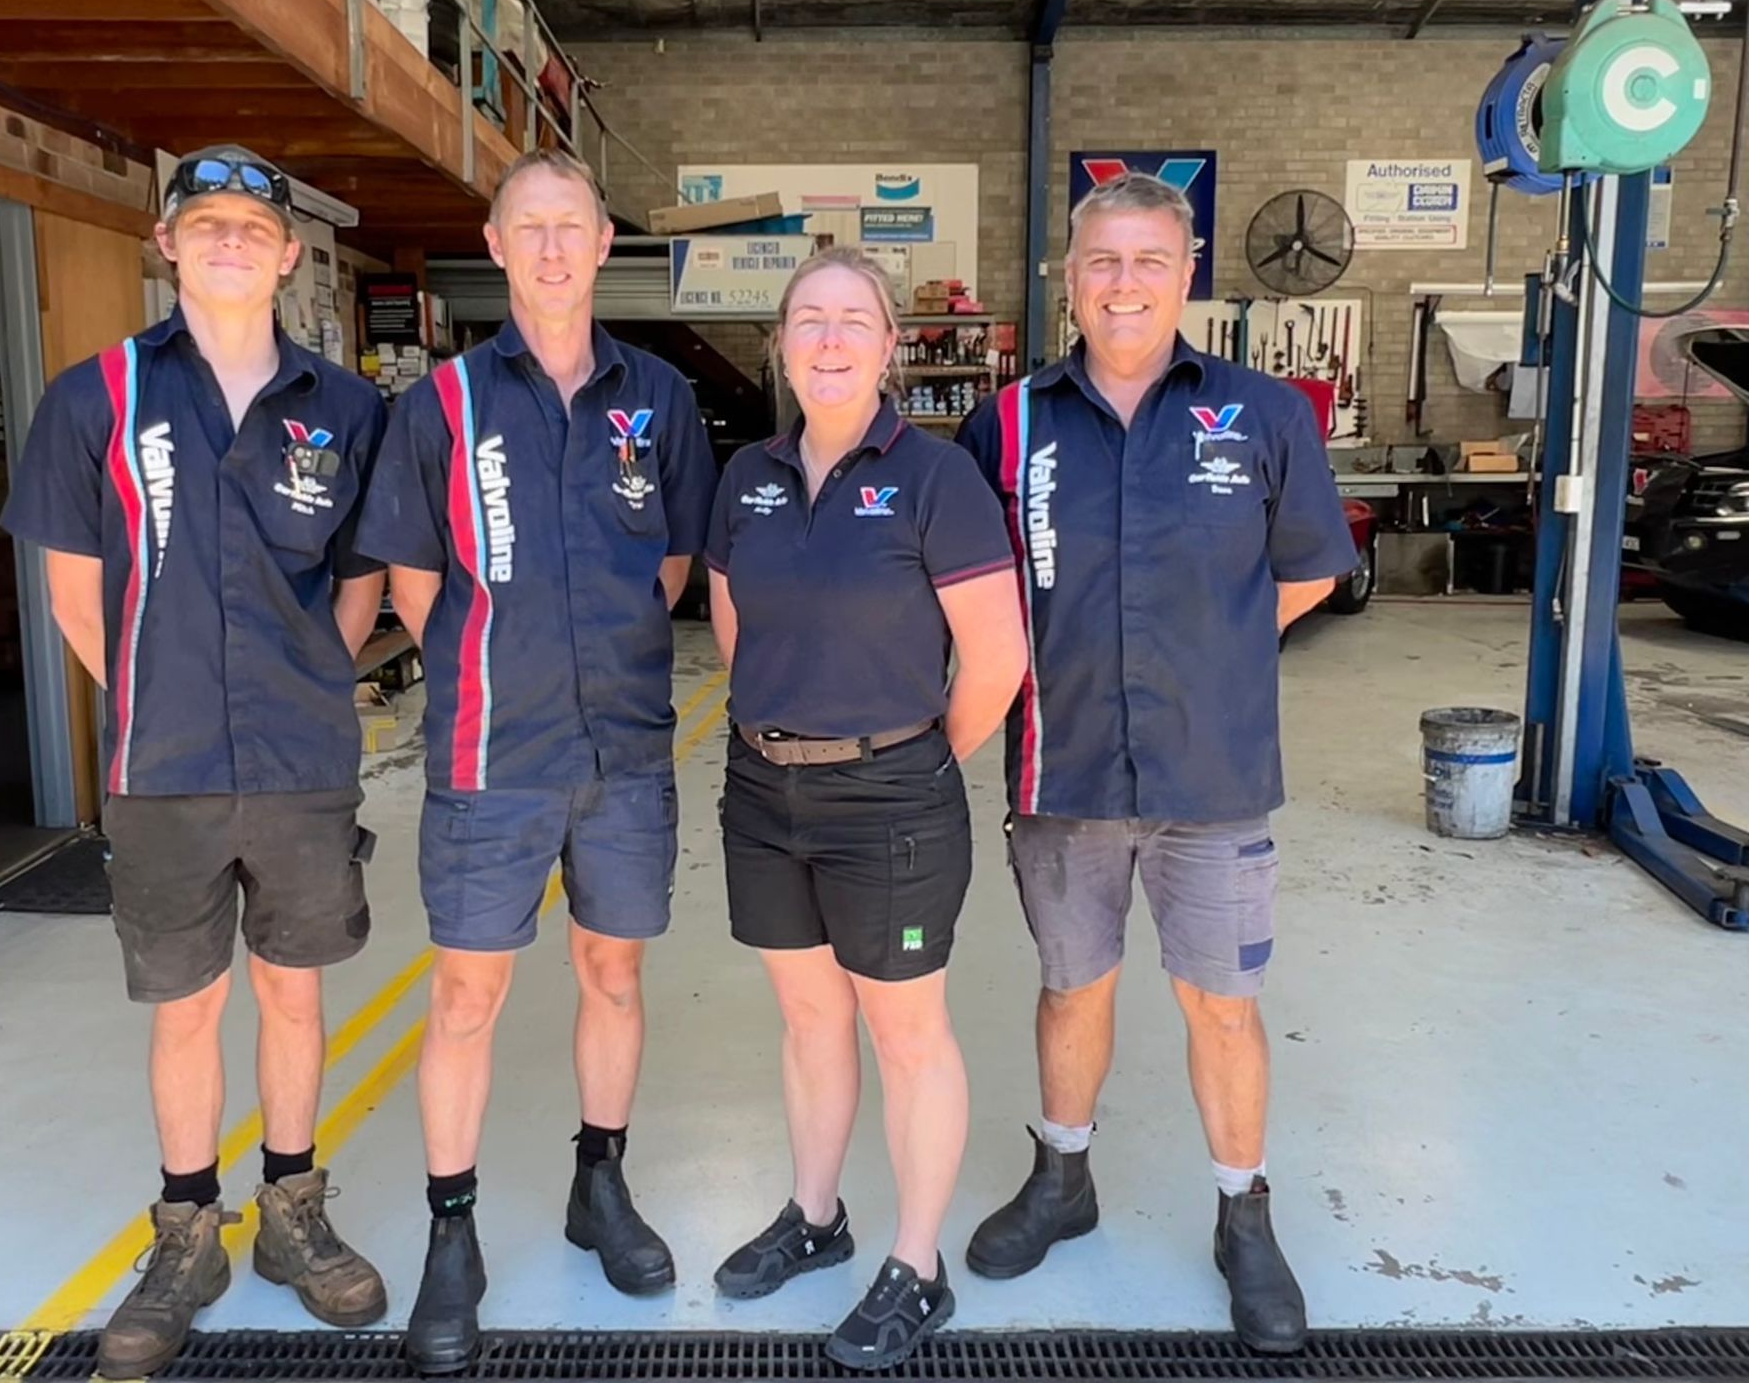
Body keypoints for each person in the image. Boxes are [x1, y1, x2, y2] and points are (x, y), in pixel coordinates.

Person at [1, 144, 390, 1379]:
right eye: (205, 221)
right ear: (166, 243)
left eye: (252, 227)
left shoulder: (348, 409)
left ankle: (291, 1210)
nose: (229, 240)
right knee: (187, 1005)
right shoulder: (96, 397)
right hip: (160, 762)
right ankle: (186, 1235)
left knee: (294, 991)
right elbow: (74, 595)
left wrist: (300, 681)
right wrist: (160, 696)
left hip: (300, 761)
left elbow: (363, 580)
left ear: (289, 255)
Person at [955, 172, 1356, 1353]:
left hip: (1210, 774)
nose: (1122, 282)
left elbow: (1310, 570)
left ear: (1186, 276)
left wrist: (1216, 653)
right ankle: (1062, 1180)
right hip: (1063, 767)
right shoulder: (1006, 426)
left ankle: (1244, 1217)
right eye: (1101, 261)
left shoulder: (1263, 413)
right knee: (1071, 987)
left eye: (1147, 261)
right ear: (1069, 279)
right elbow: (966, 592)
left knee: (1221, 1006)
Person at [354, 151, 717, 1372]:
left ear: (604, 242)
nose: (554, 247)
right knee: (466, 996)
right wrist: (502, 662)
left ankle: (598, 1185)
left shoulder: (658, 398)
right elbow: (415, 581)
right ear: (497, 245)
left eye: (573, 226)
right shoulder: (440, 406)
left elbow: (671, 563)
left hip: (625, 746)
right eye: (531, 228)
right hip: (488, 750)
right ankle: (451, 1235)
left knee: (612, 974)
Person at [706, 248, 1027, 1371]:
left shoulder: (936, 480)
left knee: (906, 1033)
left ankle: (917, 1266)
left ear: (890, 345)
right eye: (810, 319)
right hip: (763, 790)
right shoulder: (746, 478)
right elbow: (736, 625)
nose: (831, 339)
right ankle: (816, 1217)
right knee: (808, 1020)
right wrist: (793, 733)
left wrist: (911, 759)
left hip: (890, 796)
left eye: (855, 319)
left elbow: (996, 657)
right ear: (782, 345)